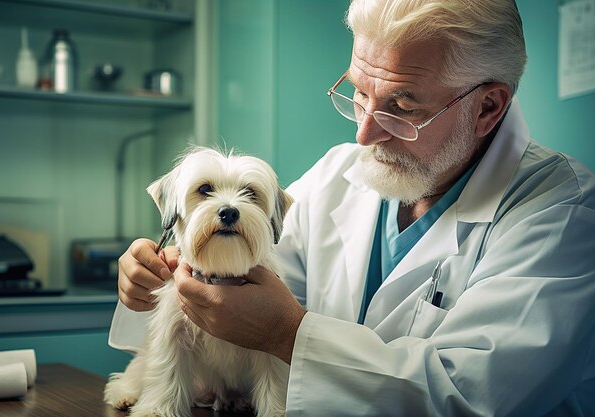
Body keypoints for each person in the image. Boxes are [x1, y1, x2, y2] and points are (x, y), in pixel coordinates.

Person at [109, 0, 595, 415]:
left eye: (402, 108)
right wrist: (156, 282)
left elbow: (467, 395)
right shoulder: (339, 172)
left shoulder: (562, 212)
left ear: (488, 107)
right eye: (360, 93)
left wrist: (287, 334)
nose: (363, 134)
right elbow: (240, 291)